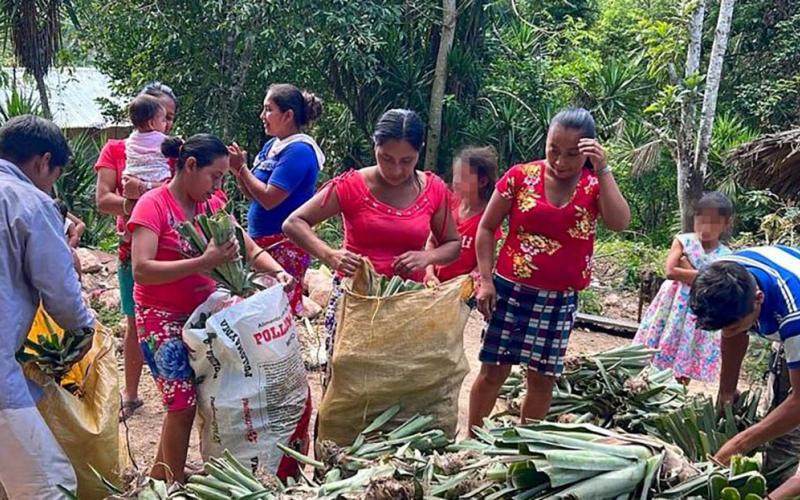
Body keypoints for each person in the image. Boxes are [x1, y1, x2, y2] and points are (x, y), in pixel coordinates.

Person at [129, 134, 292, 484]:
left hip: (205, 319)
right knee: (181, 404)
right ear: (190, 166)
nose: (219, 184)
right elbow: (140, 268)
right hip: (161, 319)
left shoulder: (211, 204)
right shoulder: (152, 205)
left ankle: (161, 473)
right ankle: (172, 487)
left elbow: (245, 245)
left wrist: (276, 271)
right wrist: (204, 262)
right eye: (215, 176)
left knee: (201, 399)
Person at [468, 107, 630, 433]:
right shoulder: (520, 177)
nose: (560, 161)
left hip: (558, 301)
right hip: (510, 292)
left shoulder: (594, 186)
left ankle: (525, 447)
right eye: (553, 149)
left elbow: (619, 222)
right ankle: (471, 442)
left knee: (542, 380)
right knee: (493, 372)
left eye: (572, 154)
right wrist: (485, 281)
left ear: (588, 152)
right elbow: (485, 230)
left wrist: (604, 169)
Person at [283, 108, 460, 380]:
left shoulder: (433, 190)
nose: (396, 169)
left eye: (407, 160)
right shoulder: (351, 186)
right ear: (374, 146)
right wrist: (330, 255)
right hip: (355, 302)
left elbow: (452, 245)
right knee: (346, 382)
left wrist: (426, 257)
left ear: (419, 152)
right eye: (386, 158)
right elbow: (294, 223)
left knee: (393, 384)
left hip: (406, 303)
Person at [0, 115, 95, 498]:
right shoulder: (27, 201)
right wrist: (82, 329)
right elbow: (60, 292)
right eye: (54, 174)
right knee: (47, 483)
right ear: (43, 162)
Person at [95, 82, 177, 420]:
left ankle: (179, 391)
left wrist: (136, 195)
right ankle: (131, 393)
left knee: (180, 315)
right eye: (162, 115)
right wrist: (143, 199)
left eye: (171, 117)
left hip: (174, 245)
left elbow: (183, 192)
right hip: (133, 247)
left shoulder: (175, 149)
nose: (167, 123)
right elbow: (103, 200)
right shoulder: (115, 149)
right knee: (134, 319)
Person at [691, 247, 800, 499]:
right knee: (779, 405)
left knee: (790, 427)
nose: (727, 332)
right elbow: (733, 333)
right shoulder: (723, 277)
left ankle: (778, 483)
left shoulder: (795, 319)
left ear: (759, 298)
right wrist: (726, 391)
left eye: (735, 325)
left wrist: (739, 444)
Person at [230, 84, 324, 316]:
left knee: (275, 316)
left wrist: (241, 168)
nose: (263, 116)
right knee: (257, 314)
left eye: (268, 109)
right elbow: (252, 194)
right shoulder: (272, 146)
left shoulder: (299, 151)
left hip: (284, 244)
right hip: (261, 243)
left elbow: (270, 199)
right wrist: (238, 170)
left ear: (288, 115)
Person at [633, 192, 733, 385]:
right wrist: (706, 278)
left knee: (688, 351)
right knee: (660, 345)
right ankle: (647, 386)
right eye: (701, 220)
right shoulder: (683, 240)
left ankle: (678, 392)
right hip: (672, 307)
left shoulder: (727, 255)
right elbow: (670, 271)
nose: (705, 227)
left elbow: (719, 285)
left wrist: (687, 267)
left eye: (713, 222)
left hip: (698, 312)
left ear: (725, 223)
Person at [424, 145, 504, 286]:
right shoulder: (448, 204)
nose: (456, 181)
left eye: (463, 177)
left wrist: (462, 285)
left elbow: (483, 265)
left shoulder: (488, 219)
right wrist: (429, 273)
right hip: (434, 287)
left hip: (460, 293)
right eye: (455, 175)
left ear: (482, 182)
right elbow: (431, 242)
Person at [123, 94, 171, 188]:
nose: (166, 123)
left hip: (132, 176)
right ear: (151, 123)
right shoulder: (161, 139)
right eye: (163, 120)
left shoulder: (131, 139)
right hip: (157, 178)